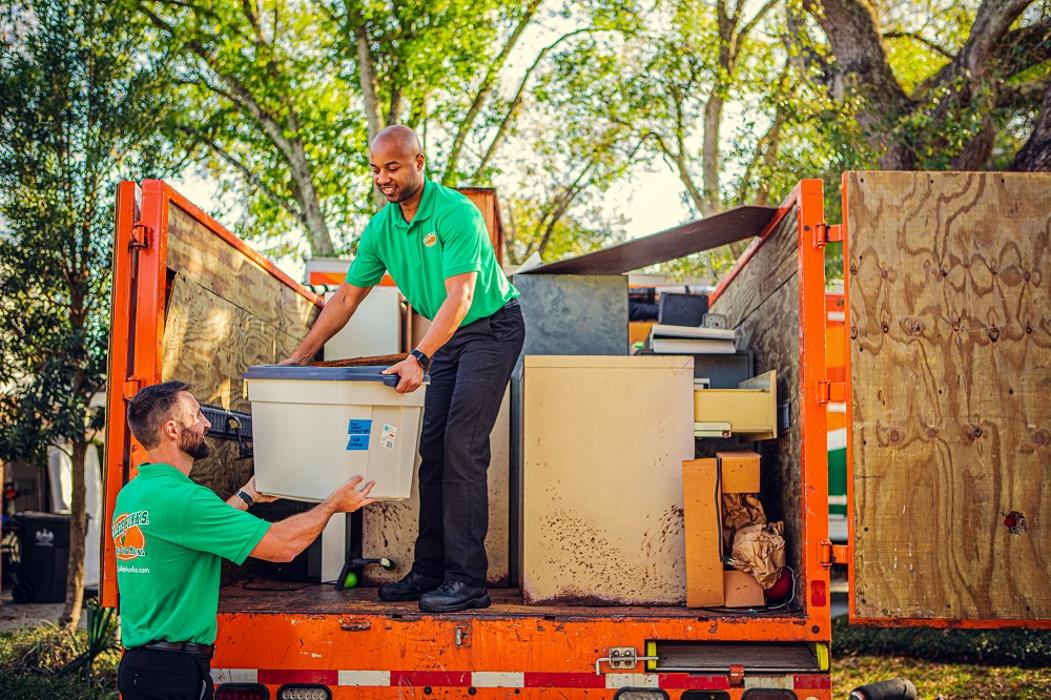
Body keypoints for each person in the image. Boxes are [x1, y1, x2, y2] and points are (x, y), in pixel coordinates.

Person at [281, 125, 524, 613]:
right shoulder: (382, 228)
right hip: (448, 336)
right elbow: (348, 296)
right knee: (431, 452)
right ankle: (431, 571)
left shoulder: (456, 213)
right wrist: (300, 355)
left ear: (419, 162)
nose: (383, 179)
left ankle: (467, 581)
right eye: (375, 169)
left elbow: (462, 298)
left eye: (392, 167)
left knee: (462, 447)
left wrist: (419, 356)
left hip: (491, 329)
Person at [113, 380, 376, 700]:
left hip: (143, 667)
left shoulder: (133, 495)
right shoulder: (185, 500)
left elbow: (195, 531)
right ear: (172, 429)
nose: (207, 424)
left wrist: (248, 495)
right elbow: (283, 546)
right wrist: (334, 505)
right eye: (197, 415)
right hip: (173, 673)